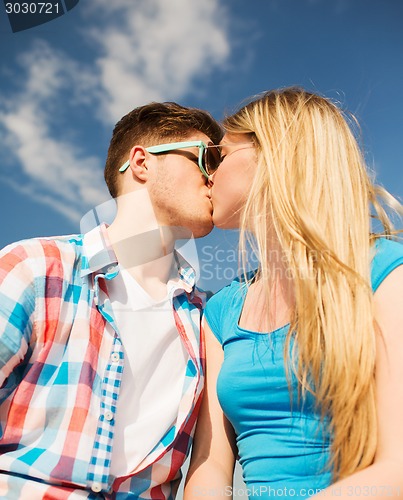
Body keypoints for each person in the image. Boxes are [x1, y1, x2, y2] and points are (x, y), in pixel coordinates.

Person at [184, 88, 403, 499]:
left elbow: (399, 467)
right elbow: (211, 465)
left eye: (219, 155)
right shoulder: (221, 310)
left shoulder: (385, 272)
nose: (207, 174)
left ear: (275, 154)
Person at [0, 101, 223, 498]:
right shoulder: (35, 269)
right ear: (142, 162)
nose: (216, 178)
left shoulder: (209, 321)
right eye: (208, 158)